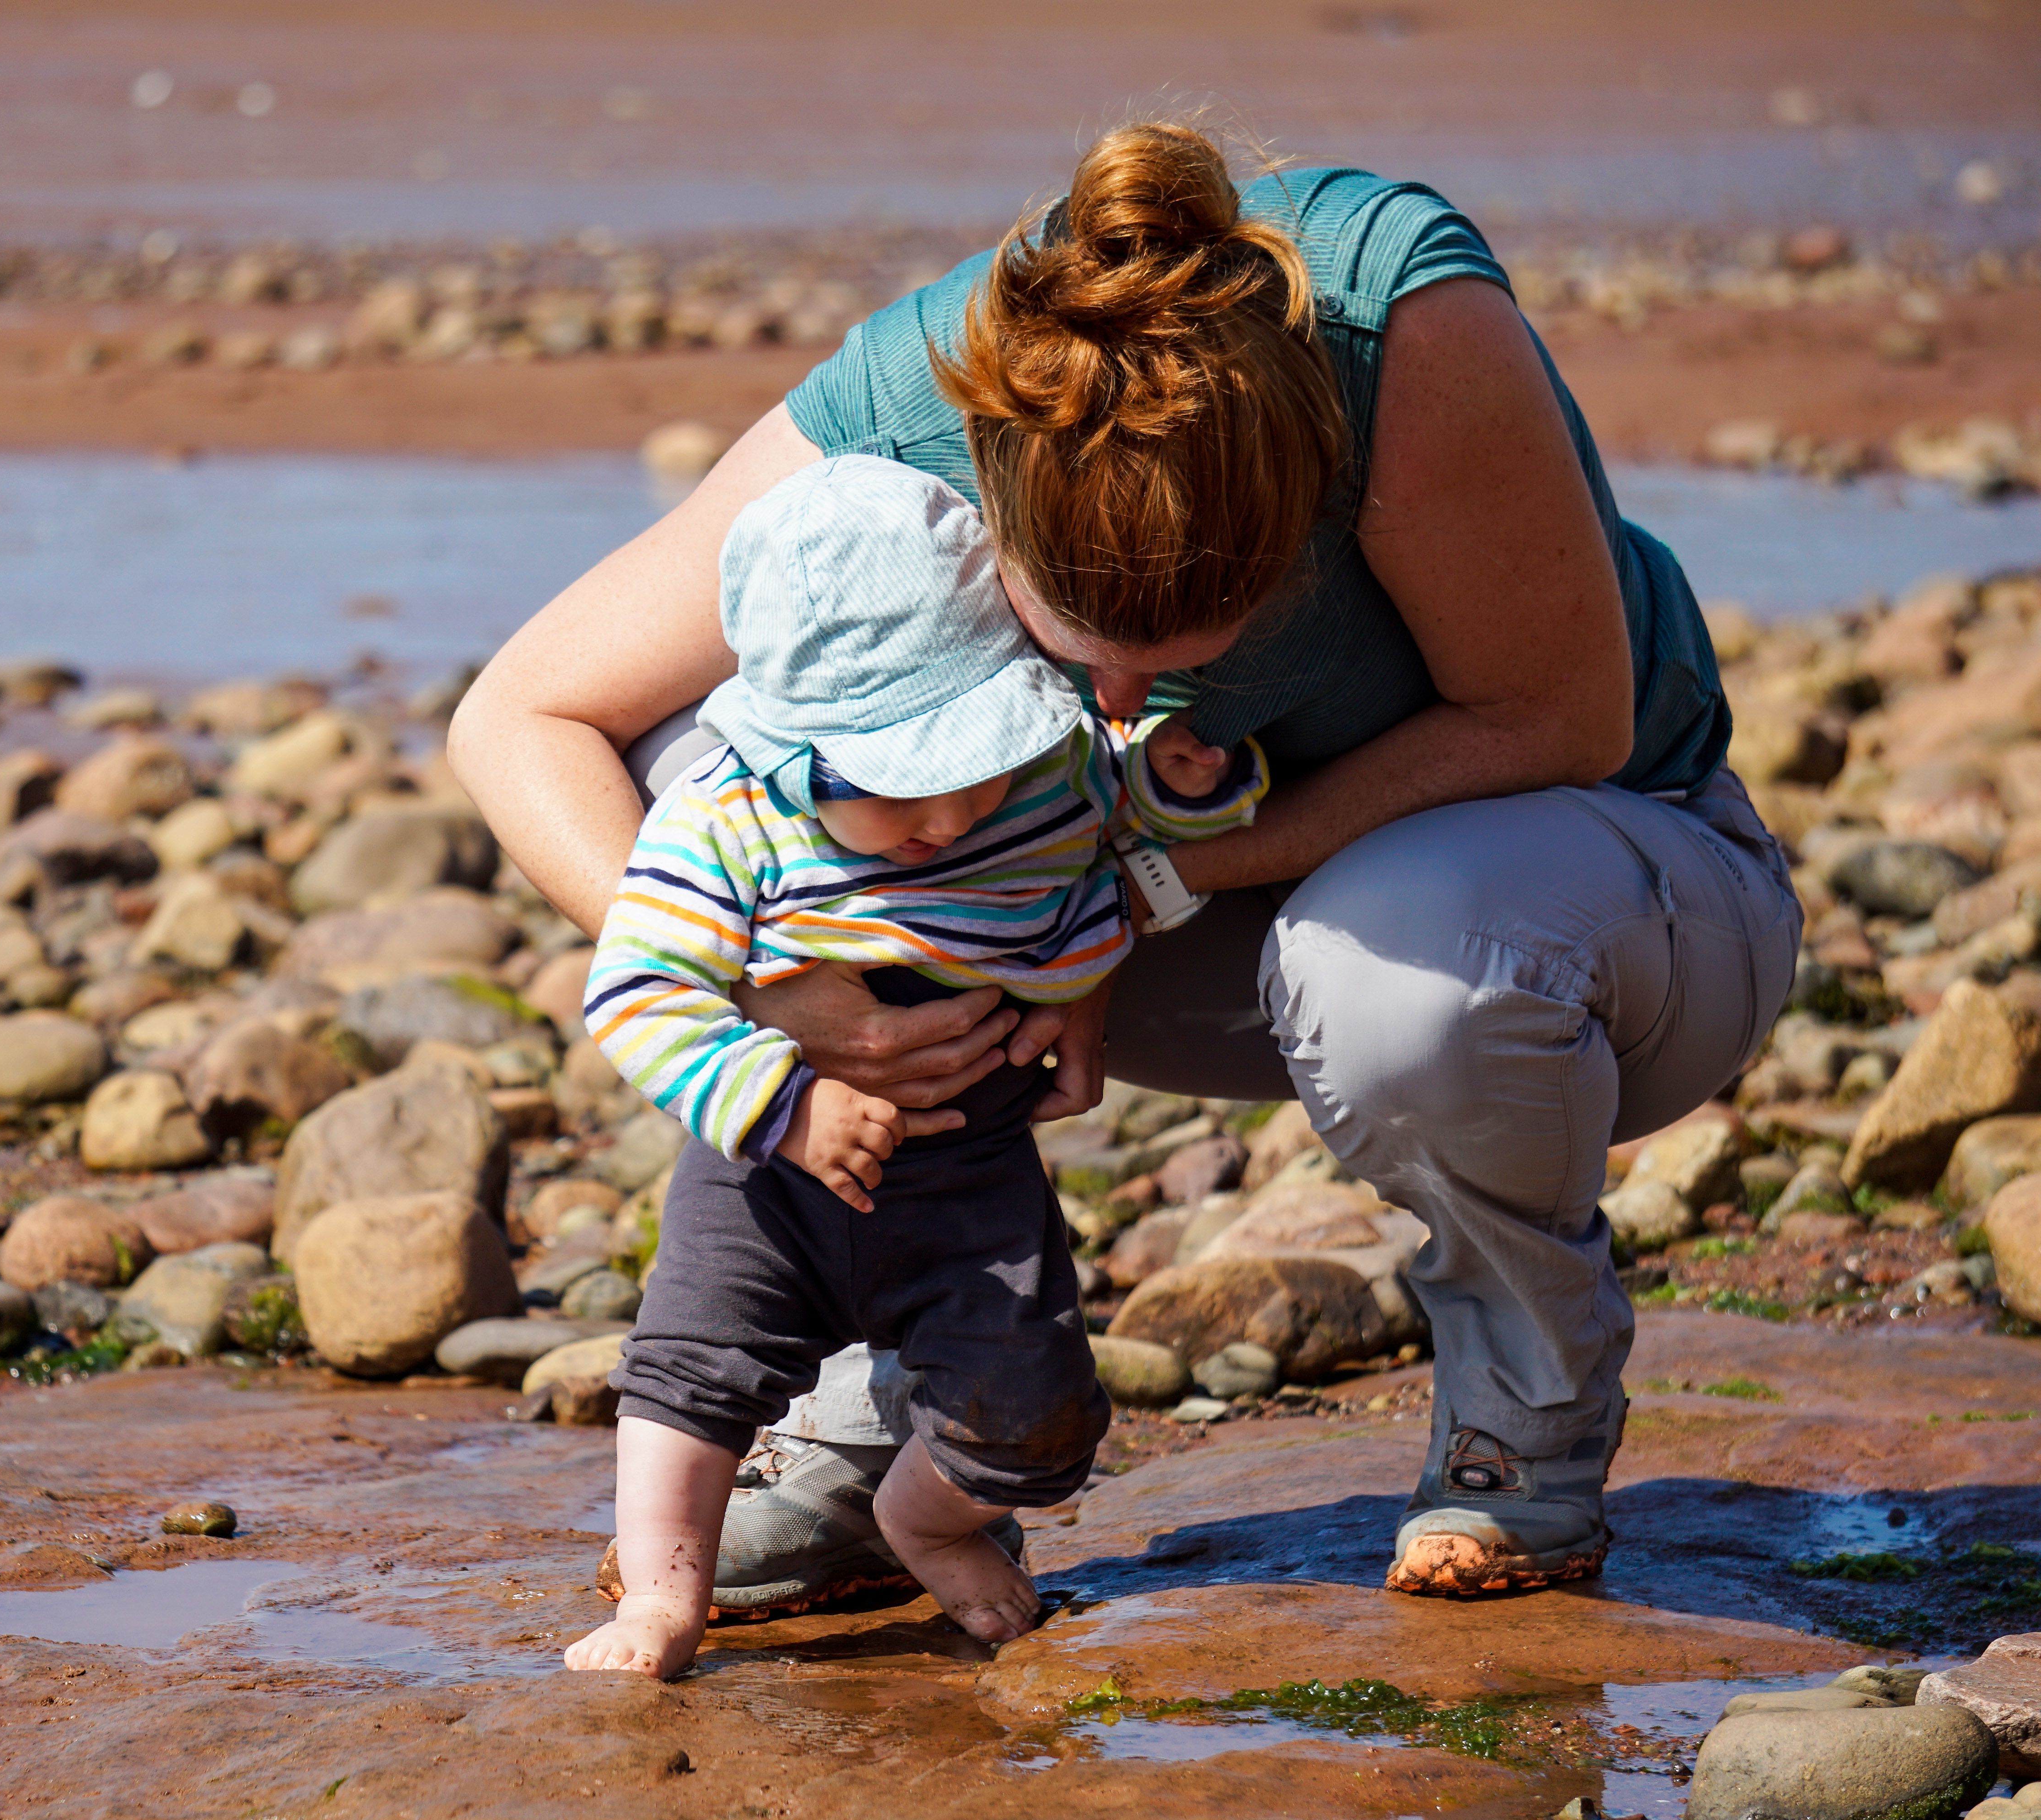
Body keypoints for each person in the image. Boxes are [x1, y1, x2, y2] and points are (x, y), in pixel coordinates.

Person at [449, 121, 1800, 1606]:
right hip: (1166, 912)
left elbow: (1560, 715)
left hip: (1610, 919)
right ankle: (888, 1401)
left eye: (1174, 661)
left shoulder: (1399, 328)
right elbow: (525, 715)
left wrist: (1156, 873)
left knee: (1390, 952)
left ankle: (1522, 1421)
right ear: (986, 505)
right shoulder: (910, 416)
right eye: (1067, 653)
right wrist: (775, 990)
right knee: (746, 771)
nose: (1108, 709)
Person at [564, 454, 1263, 1678]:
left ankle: (924, 1520)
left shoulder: (1038, 778)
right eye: (899, 790)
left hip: (971, 1162)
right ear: (798, 748)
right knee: (686, 1379)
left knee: (1042, 1411)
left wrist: (1184, 788)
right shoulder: (729, 816)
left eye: (970, 767)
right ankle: (664, 1597)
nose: (947, 818)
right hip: (767, 1180)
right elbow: (636, 988)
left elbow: (1129, 824)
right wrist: (782, 1102)